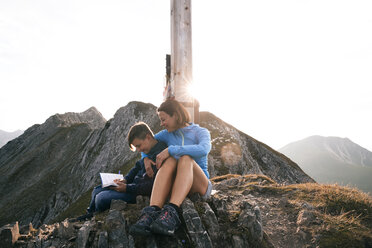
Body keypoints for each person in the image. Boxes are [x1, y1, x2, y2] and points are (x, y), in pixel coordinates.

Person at [129, 99, 212, 236]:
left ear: (176, 115)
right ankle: (152, 212)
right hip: (179, 184)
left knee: (184, 157)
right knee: (172, 159)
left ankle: (171, 213)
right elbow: (147, 143)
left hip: (199, 185)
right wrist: (145, 160)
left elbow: (203, 149)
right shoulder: (166, 134)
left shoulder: (200, 131)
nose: (161, 124)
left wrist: (171, 149)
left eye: (163, 119)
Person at [71, 122, 167, 222]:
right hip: (132, 185)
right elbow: (137, 167)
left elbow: (153, 186)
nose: (138, 150)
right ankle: (89, 214)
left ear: (148, 137)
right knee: (97, 190)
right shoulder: (148, 151)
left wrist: (127, 188)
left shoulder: (161, 155)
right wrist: (125, 180)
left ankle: (94, 216)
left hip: (138, 192)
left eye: (139, 146)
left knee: (101, 198)